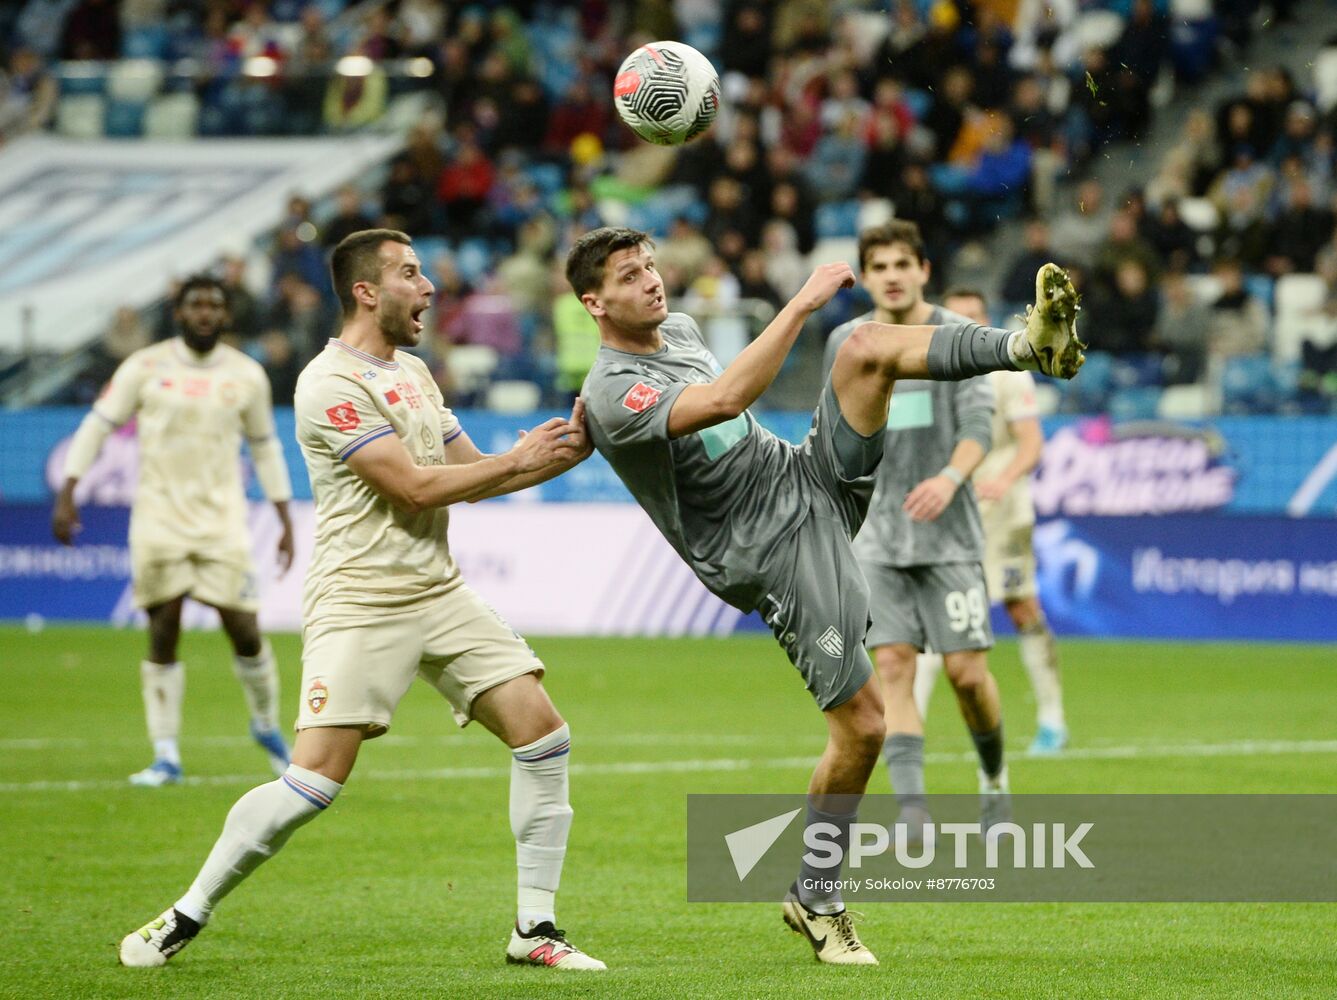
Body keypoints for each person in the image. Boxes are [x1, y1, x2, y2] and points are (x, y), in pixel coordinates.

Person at [570, 225, 1083, 966]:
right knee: (866, 725)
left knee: (864, 347)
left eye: (650, 265)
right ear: (594, 302)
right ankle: (816, 894)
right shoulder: (612, 389)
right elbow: (721, 402)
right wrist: (799, 304)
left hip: (803, 476)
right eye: (628, 275)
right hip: (767, 550)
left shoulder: (678, 329)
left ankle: (1026, 347)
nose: (651, 280)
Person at [118, 230, 605, 972]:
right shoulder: (327, 384)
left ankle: (534, 928)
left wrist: (557, 452)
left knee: (543, 737)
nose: (430, 287)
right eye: (411, 273)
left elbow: (470, 473)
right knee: (314, 781)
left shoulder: (413, 372)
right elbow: (411, 484)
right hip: (360, 600)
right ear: (366, 291)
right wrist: (516, 460)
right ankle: (187, 911)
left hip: (437, 590)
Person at [53, 276, 296, 787]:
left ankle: (266, 726)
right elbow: (98, 424)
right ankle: (165, 753)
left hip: (222, 520)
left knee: (244, 629)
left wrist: (283, 516)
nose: (204, 313)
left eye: (213, 305)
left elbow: (265, 445)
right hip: (159, 517)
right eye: (195, 305)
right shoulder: (144, 367)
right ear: (179, 313)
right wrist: (69, 488)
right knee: (163, 629)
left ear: (225, 316)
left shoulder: (246, 375)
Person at [821, 221, 1008, 847]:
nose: (892, 275)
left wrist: (951, 479)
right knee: (894, 665)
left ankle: (994, 779)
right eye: (879, 266)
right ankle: (913, 811)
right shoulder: (847, 341)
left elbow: (982, 421)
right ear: (866, 276)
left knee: (966, 675)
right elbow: (834, 428)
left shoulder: (956, 338)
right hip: (875, 540)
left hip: (950, 536)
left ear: (924, 269)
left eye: (904, 262)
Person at [912, 289, 1069, 754]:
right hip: (946, 507)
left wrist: (1002, 480)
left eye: (975, 315)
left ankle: (1052, 719)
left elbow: (1031, 443)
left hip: (1001, 511)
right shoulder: (931, 371)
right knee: (931, 610)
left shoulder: (1009, 374)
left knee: (1021, 608)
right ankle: (908, 727)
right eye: (958, 315)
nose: (967, 323)